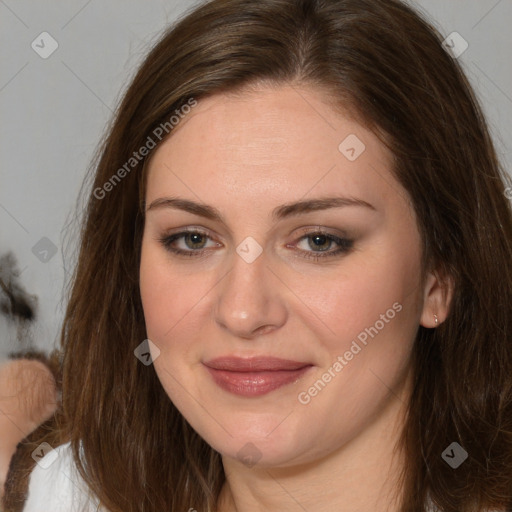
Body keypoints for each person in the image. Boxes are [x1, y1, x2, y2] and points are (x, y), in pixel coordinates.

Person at [3, 0, 512, 511]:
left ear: (439, 277)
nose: (242, 312)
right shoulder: (68, 494)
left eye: (318, 240)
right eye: (193, 239)